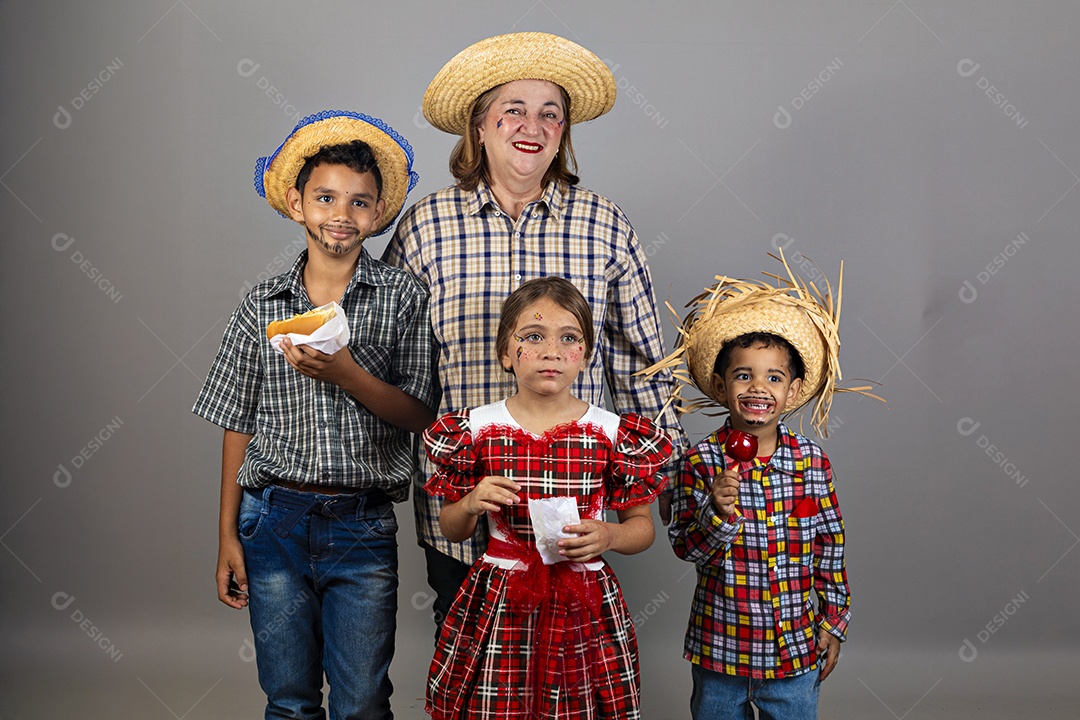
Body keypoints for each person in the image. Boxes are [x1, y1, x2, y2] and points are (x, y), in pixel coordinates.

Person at [381, 31, 688, 635]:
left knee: (564, 667)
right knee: (479, 670)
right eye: (513, 109)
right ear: (479, 127)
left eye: (551, 113)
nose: (533, 125)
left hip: (579, 509)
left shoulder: (605, 223)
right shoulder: (425, 226)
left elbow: (642, 365)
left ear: (563, 133)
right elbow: (395, 366)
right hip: (468, 506)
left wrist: (670, 483)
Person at [192, 110, 435, 719]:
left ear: (377, 215)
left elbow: (419, 413)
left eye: (359, 203)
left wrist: (348, 373)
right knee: (290, 698)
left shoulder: (403, 297)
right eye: (325, 198)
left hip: (362, 525)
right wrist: (226, 535)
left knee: (361, 702)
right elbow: (237, 421)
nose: (341, 215)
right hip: (272, 521)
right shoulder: (261, 303)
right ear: (297, 205)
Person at [422, 277, 673, 719]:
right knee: (497, 701)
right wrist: (470, 502)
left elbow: (642, 528)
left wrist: (610, 535)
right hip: (502, 592)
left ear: (586, 356)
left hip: (583, 596)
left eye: (569, 338)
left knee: (578, 700)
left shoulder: (613, 433)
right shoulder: (476, 430)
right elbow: (451, 527)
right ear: (505, 352)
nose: (551, 351)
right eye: (533, 337)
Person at [643, 256, 871, 720]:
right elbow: (686, 548)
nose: (758, 388)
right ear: (722, 386)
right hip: (721, 648)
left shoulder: (811, 462)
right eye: (743, 375)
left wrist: (834, 621)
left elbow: (831, 545)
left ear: (793, 389)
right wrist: (716, 512)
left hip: (793, 652)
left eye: (774, 377)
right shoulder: (700, 462)